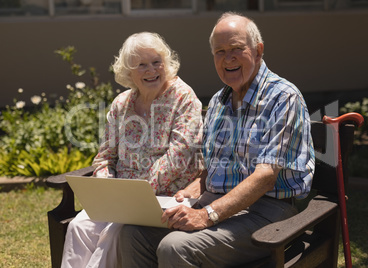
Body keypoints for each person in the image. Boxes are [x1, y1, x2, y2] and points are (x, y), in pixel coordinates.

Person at [119, 12, 315, 267]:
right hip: (218, 204)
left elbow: (265, 177)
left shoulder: (283, 98)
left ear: (258, 51)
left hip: (267, 214)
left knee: (175, 247)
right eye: (220, 51)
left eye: (236, 48)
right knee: (133, 234)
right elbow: (214, 165)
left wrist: (207, 215)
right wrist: (193, 188)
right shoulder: (218, 102)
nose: (228, 58)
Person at [61, 32, 204, 268]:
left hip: (166, 197)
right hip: (120, 197)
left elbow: (178, 156)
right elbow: (105, 156)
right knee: (80, 226)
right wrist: (108, 189)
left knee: (116, 231)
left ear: (166, 63)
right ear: (129, 72)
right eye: (142, 65)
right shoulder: (121, 103)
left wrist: (135, 195)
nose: (151, 70)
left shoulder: (183, 98)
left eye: (156, 62)